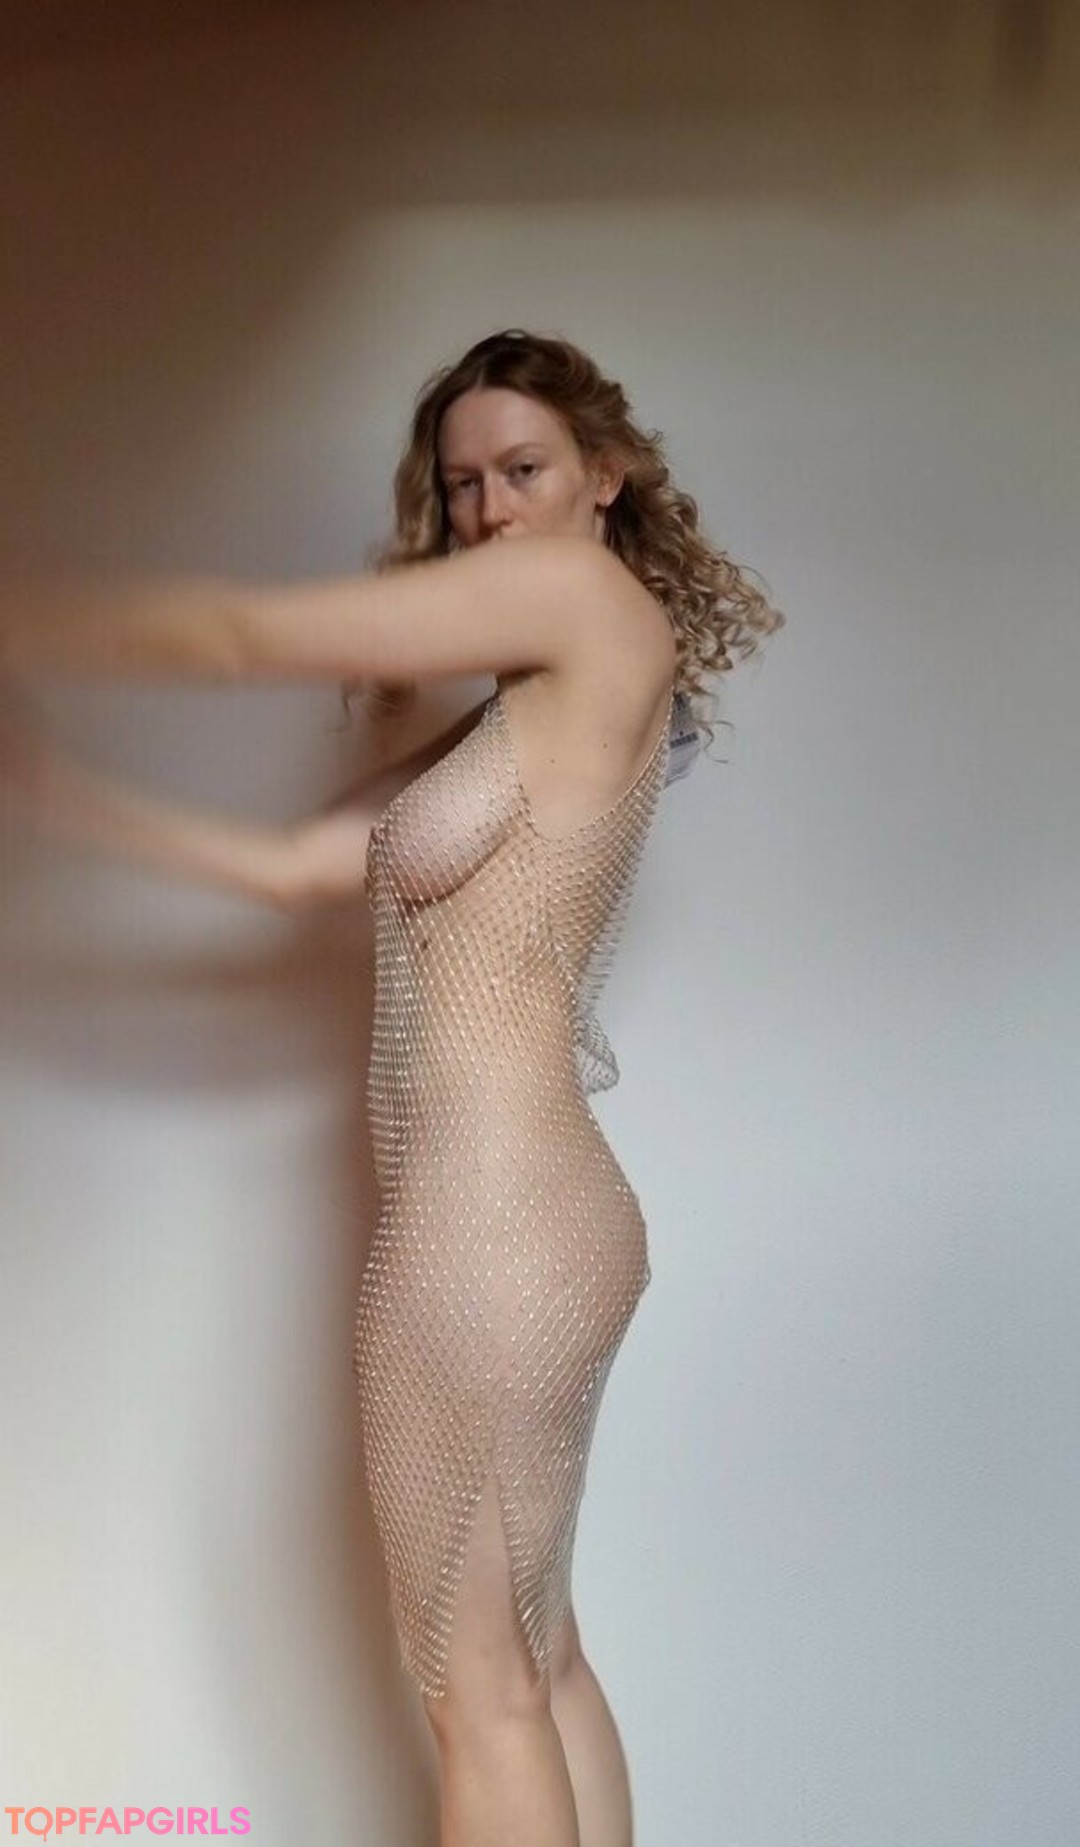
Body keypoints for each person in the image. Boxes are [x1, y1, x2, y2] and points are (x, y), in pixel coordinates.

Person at [1, 329, 783, 1847]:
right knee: (534, 1663)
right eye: (463, 484)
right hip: (528, 1218)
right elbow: (298, 867)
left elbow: (242, 635)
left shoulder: (581, 602)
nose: (491, 510)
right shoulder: (527, 712)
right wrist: (62, 798)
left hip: (491, 1227)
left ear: (607, 477)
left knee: (477, 1690)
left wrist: (32, 609)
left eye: (523, 469)